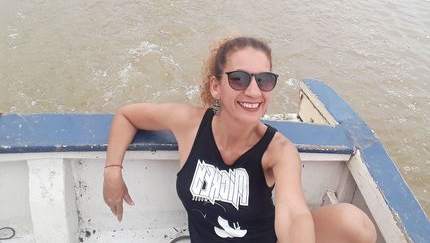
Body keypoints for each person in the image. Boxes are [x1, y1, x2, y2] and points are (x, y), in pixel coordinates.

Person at [103, 36, 376, 243]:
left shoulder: (279, 151)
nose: (254, 91)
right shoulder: (189, 124)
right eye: (239, 79)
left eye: (265, 80)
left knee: (355, 224)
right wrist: (113, 171)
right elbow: (128, 116)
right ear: (215, 86)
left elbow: (294, 214)